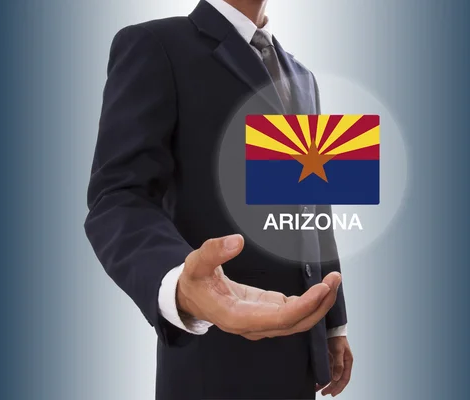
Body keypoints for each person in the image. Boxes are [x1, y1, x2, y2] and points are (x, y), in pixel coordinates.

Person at [85, 0, 353, 398]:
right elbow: (118, 196)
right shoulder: (155, 45)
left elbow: (313, 205)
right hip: (212, 356)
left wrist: (334, 324)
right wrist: (179, 285)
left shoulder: (303, 76)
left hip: (299, 353)